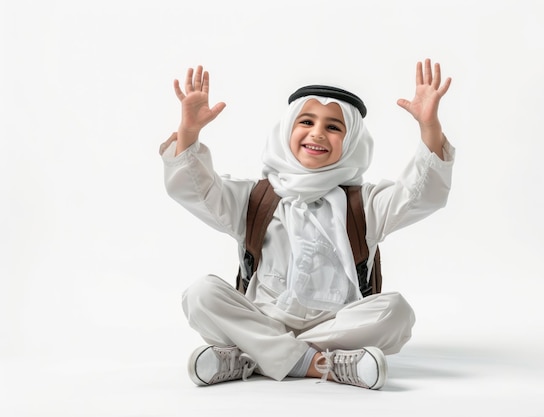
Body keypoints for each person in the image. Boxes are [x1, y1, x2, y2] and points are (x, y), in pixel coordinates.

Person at [159, 59, 455, 390]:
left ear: (351, 141)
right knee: (201, 294)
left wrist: (430, 127)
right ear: (287, 129)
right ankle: (323, 363)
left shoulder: (364, 205)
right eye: (307, 121)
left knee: (396, 313)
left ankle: (252, 356)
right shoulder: (255, 198)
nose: (317, 133)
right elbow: (195, 190)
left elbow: (421, 195)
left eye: (333, 127)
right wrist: (189, 132)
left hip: (335, 326)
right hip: (262, 318)